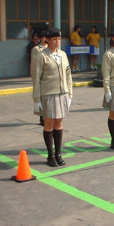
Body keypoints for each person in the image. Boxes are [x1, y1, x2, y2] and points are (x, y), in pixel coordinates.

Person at [31, 27, 73, 167]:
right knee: (49, 124)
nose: (57, 42)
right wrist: (36, 99)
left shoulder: (63, 55)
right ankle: (50, 155)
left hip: (62, 94)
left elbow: (68, 76)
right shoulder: (41, 55)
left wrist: (70, 94)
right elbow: (36, 78)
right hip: (48, 94)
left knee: (59, 124)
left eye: (59, 39)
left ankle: (58, 153)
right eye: (54, 39)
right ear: (47, 40)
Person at [30, 30, 48, 126]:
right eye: (44, 37)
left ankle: (47, 116)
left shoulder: (50, 48)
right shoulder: (36, 49)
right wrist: (34, 76)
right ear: (41, 38)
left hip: (47, 77)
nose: (46, 39)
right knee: (40, 97)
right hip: (39, 76)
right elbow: (34, 64)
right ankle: (41, 118)